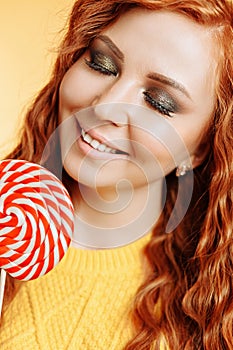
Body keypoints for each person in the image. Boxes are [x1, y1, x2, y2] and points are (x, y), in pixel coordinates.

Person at [0, 0, 232, 349]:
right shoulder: (11, 210)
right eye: (102, 63)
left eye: (158, 102)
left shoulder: (208, 314)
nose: (105, 104)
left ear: (200, 148)